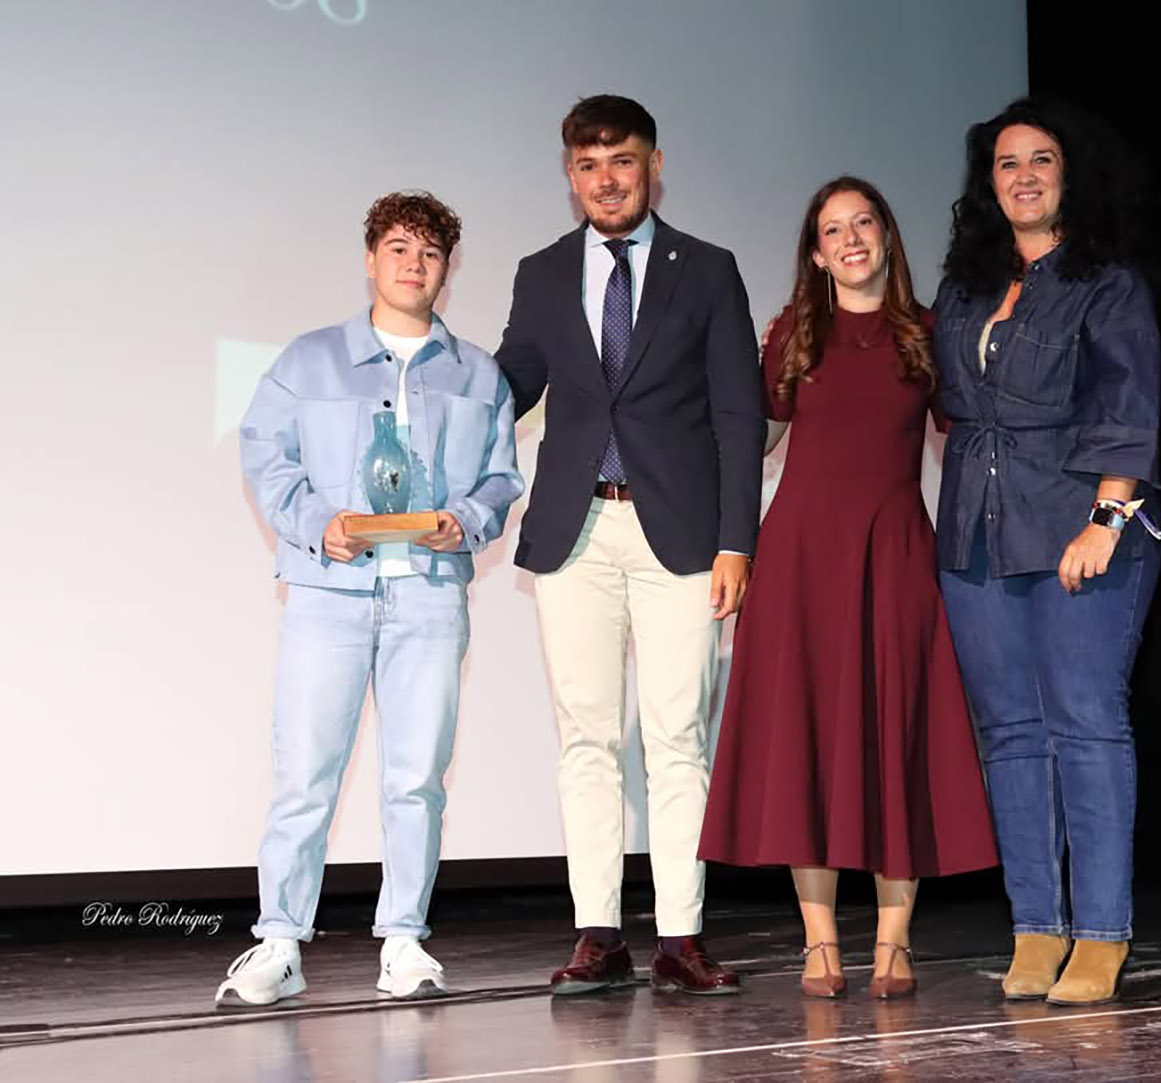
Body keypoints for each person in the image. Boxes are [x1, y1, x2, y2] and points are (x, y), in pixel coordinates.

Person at [217, 191, 524, 1007]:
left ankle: (404, 941)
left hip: (428, 596)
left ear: (447, 269)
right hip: (328, 594)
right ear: (369, 259)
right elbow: (266, 454)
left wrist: (465, 520)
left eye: (429, 252)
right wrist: (317, 524)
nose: (413, 264)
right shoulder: (307, 360)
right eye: (398, 248)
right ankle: (280, 942)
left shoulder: (479, 374)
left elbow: (501, 477)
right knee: (305, 773)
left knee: (417, 777)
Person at [698, 177, 997, 1000]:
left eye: (864, 222)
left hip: (895, 557)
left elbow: (971, 436)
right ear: (817, 252)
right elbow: (749, 434)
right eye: (833, 229)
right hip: (800, 560)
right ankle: (820, 941)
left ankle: (895, 943)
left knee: (899, 735)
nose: (851, 238)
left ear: (888, 237)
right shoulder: (794, 333)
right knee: (808, 741)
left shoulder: (928, 333)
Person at [495, 95, 765, 996]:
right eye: (588, 165)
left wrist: (737, 541)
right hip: (574, 533)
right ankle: (599, 935)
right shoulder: (541, 272)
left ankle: (681, 936)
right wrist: (429, 384)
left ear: (654, 164)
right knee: (586, 737)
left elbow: (739, 414)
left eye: (622, 161)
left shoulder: (709, 269)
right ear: (569, 175)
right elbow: (508, 387)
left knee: (677, 737)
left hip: (680, 536)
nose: (606, 180)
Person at [932, 98, 1161, 1007]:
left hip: (1081, 529)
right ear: (987, 183)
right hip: (976, 533)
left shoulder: (1108, 283)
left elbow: (1128, 407)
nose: (1023, 176)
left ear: (1069, 175)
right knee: (1010, 734)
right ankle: (1036, 926)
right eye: (1006, 163)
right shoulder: (967, 287)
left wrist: (1105, 520)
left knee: (1086, 722)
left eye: (1040, 159)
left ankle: (1102, 934)